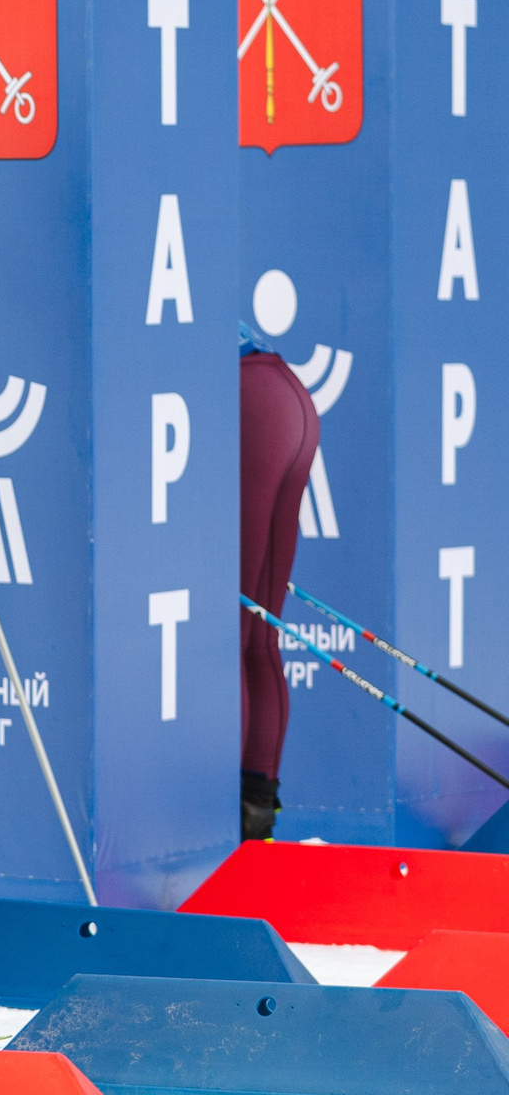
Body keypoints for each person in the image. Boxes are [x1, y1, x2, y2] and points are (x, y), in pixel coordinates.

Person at [239, 319, 317, 840]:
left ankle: (235, 828)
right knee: (258, 638)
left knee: (234, 636)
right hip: (287, 399)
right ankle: (256, 821)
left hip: (249, 403)